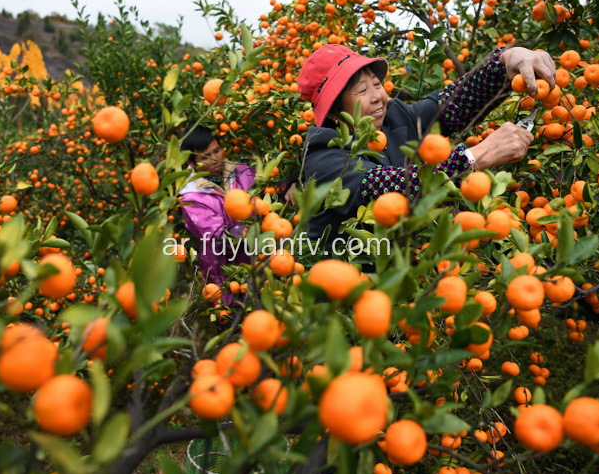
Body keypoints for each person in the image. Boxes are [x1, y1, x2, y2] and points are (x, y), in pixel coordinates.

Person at [298, 43, 556, 245]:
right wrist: (476, 157)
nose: (377, 97)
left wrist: (504, 61)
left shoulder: (395, 117)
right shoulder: (323, 158)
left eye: (376, 84)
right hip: (352, 292)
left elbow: (452, 103)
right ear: (333, 112)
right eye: (362, 92)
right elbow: (389, 188)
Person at [178, 125, 255, 304]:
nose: (215, 159)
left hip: (263, 263)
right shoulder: (192, 199)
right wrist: (255, 229)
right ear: (191, 162)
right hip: (226, 275)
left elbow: (270, 193)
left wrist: (287, 185)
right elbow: (220, 238)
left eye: (217, 151)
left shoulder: (244, 172)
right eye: (206, 156)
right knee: (236, 322)